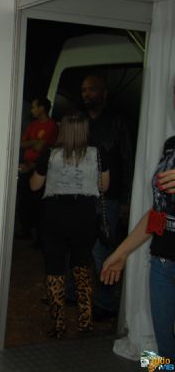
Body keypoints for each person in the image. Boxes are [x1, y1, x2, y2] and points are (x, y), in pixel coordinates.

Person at [30, 112, 110, 338]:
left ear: (62, 130)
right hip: (84, 217)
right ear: (85, 130)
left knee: (55, 268)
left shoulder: (49, 154)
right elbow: (104, 186)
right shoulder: (98, 154)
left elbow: (35, 186)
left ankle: (58, 326)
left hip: (54, 216)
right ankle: (85, 323)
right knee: (82, 266)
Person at [101, 140, 175, 359]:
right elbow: (158, 212)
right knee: (165, 352)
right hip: (162, 264)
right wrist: (121, 252)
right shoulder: (171, 145)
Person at [81, 73, 134, 321]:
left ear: (105, 93)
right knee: (80, 247)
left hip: (108, 198)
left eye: (92, 89)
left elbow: (128, 159)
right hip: (82, 195)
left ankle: (106, 304)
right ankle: (75, 294)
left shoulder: (118, 122)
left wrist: (126, 199)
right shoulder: (80, 121)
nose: (86, 94)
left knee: (103, 250)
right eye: (83, 90)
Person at [16, 96, 59, 240]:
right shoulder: (33, 125)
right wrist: (36, 142)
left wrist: (32, 143)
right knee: (24, 199)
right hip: (26, 166)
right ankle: (26, 231)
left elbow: (41, 148)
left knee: (38, 203)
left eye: (34, 107)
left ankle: (39, 236)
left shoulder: (52, 125)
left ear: (42, 108)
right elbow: (21, 143)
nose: (32, 110)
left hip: (41, 169)